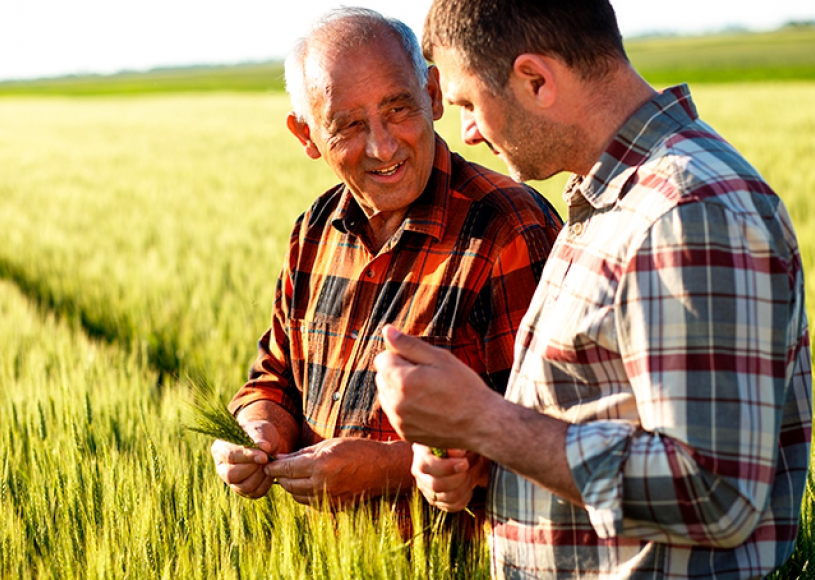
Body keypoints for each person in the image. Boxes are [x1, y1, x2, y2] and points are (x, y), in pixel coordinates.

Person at [374, 0, 813, 577]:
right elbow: (603, 412)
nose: (468, 134)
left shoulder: (686, 212)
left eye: (468, 104)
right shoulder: (611, 199)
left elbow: (715, 493)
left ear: (536, 80)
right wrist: (487, 458)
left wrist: (487, 420)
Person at [209, 6, 562, 529]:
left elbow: (553, 438)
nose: (383, 145)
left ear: (435, 95)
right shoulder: (315, 229)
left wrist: (390, 469)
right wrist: (259, 434)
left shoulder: (510, 229)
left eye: (398, 109)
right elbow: (275, 378)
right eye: (348, 125)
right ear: (305, 136)